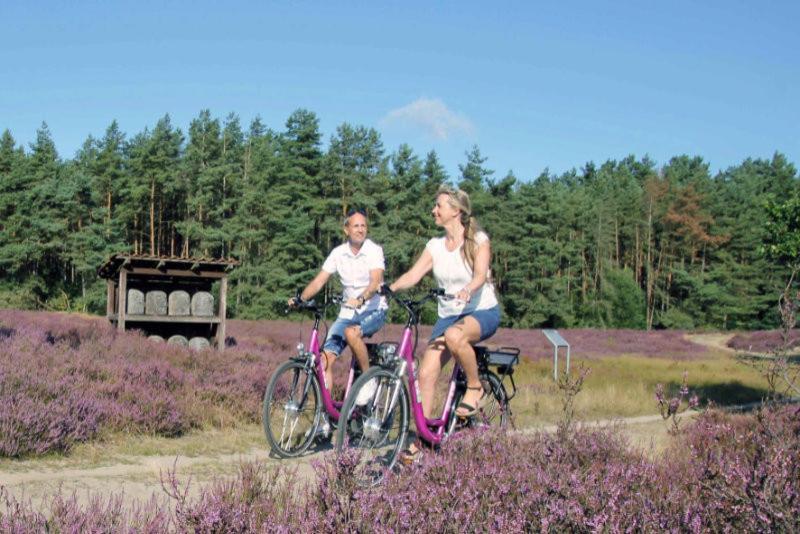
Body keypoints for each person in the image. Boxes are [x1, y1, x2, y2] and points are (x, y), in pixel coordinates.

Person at [388, 186, 500, 460]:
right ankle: (423, 439)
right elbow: (413, 275)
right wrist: (388, 289)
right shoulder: (434, 246)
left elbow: (479, 275)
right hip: (449, 315)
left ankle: (475, 387)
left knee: (454, 336)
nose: (433, 211)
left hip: (481, 310)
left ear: (456, 211)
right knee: (425, 374)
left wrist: (468, 289)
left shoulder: (478, 240)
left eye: (439, 206)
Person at [289, 209, 388, 405]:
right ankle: (324, 416)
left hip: (373, 309)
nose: (360, 230)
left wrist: (361, 299)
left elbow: (376, 281)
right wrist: (300, 299)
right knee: (323, 361)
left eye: (363, 226)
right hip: (347, 313)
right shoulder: (338, 253)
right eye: (356, 226)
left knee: (352, 333)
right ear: (346, 230)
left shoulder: (373, 250)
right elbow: (319, 282)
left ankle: (368, 379)